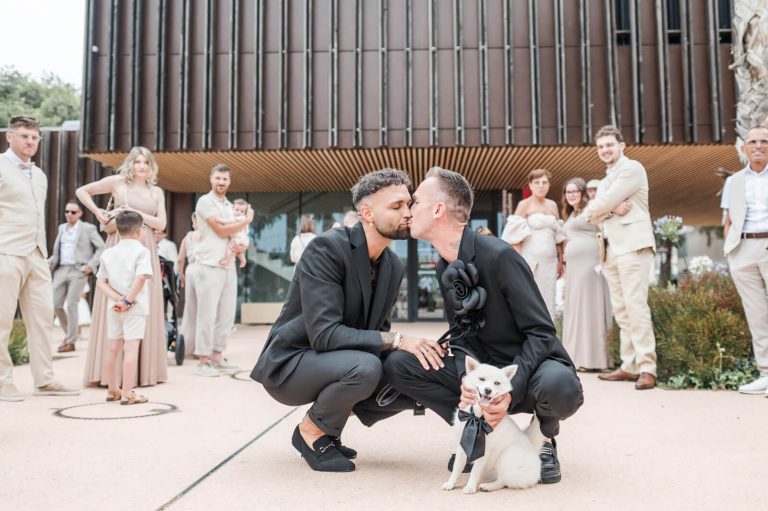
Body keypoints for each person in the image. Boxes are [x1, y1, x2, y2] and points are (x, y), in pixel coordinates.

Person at [357, 166, 583, 484]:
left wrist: (509, 389)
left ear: (438, 210)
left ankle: (544, 439)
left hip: (529, 371)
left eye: (415, 202)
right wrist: (466, 377)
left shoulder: (500, 256)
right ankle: (474, 431)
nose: (408, 209)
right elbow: (461, 333)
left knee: (562, 387)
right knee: (398, 364)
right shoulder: (443, 264)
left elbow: (542, 332)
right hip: (483, 373)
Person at [251, 169, 440, 473]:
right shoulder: (326, 249)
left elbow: (378, 332)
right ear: (366, 213)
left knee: (408, 374)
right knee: (366, 368)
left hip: (336, 362)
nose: (408, 213)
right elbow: (324, 335)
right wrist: (400, 341)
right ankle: (310, 432)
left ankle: (329, 427)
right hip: (292, 364)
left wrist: (418, 357)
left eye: (409, 203)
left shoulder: (393, 265)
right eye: (396, 206)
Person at [0, 115, 79, 401]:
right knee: (2, 321)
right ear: (10, 136)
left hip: (37, 254)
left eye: (34, 137)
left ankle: (44, 380)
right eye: (24, 136)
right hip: (5, 251)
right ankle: (2, 382)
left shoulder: (41, 174)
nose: (30, 142)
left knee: (43, 318)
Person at [76, 146, 168, 387]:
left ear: (150, 166)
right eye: (137, 162)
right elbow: (82, 191)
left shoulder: (156, 191)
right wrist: (97, 211)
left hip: (145, 243)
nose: (141, 166)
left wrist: (133, 212)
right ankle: (111, 378)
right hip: (118, 241)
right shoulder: (118, 182)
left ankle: (142, 373)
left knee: (142, 300)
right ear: (130, 163)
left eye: (145, 162)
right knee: (113, 298)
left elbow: (161, 222)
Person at [583, 125, 657, 390]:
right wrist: (610, 210)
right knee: (622, 311)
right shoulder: (603, 181)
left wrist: (603, 208)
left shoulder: (632, 169)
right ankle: (629, 365)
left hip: (633, 246)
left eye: (609, 145)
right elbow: (593, 214)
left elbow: (596, 207)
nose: (605, 150)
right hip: (611, 250)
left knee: (636, 307)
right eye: (601, 146)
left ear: (621, 146)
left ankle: (648, 367)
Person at [188, 164, 253, 376]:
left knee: (226, 316)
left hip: (228, 266)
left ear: (229, 181)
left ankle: (217, 356)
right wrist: (246, 221)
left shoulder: (228, 205)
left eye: (225, 179)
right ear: (211, 179)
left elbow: (235, 234)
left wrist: (242, 243)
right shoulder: (205, 202)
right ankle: (203, 361)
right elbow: (222, 229)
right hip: (209, 265)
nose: (221, 182)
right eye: (218, 178)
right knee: (207, 316)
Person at [721, 126, 768, 394]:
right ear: (744, 148)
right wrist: (730, 251)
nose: (758, 145)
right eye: (753, 141)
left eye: (764, 141)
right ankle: (765, 373)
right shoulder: (734, 181)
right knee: (757, 314)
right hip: (743, 249)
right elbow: (728, 220)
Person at [96, 210, 153, 405]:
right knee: (130, 349)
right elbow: (142, 277)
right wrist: (128, 300)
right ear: (139, 231)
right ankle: (128, 392)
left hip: (114, 307)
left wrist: (118, 299)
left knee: (112, 348)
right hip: (134, 307)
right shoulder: (142, 251)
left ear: (118, 231)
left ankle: (113, 390)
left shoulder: (108, 253)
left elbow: (101, 282)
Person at [561, 178, 612, 371]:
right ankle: (578, 357)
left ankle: (595, 359)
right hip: (574, 267)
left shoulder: (591, 207)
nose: (571, 195)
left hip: (590, 263)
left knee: (590, 307)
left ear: (582, 193)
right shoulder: (572, 213)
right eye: (568, 192)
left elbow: (604, 230)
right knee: (577, 308)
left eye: (575, 191)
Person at [501, 169, 565, 321]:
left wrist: (561, 261)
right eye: (537, 183)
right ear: (530, 185)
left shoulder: (553, 206)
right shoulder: (524, 205)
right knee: (531, 299)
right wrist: (517, 264)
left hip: (550, 263)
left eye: (544, 182)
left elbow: (558, 236)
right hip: (530, 260)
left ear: (549, 185)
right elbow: (514, 236)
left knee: (549, 299)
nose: (541, 186)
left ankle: (549, 338)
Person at [49, 200, 105, 353]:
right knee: (56, 305)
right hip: (61, 269)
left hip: (78, 271)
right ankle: (70, 335)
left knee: (72, 304)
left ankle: (70, 341)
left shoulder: (88, 228)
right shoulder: (62, 228)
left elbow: (101, 246)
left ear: (80, 213)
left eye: (73, 212)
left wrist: (90, 266)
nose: (69, 214)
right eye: (67, 211)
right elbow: (57, 252)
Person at [177, 212, 200, 356]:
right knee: (205, 311)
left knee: (190, 309)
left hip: (191, 270)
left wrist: (181, 275)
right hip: (206, 269)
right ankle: (202, 348)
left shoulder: (188, 237)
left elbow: (180, 259)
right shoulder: (210, 235)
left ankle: (187, 346)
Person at [216, 198, 250, 268]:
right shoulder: (234, 216)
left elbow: (229, 222)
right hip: (242, 240)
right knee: (238, 252)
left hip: (239, 239)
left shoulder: (242, 218)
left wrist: (220, 220)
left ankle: (227, 260)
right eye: (236, 210)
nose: (239, 212)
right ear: (232, 209)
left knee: (230, 248)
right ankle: (243, 260)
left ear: (244, 213)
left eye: (242, 211)